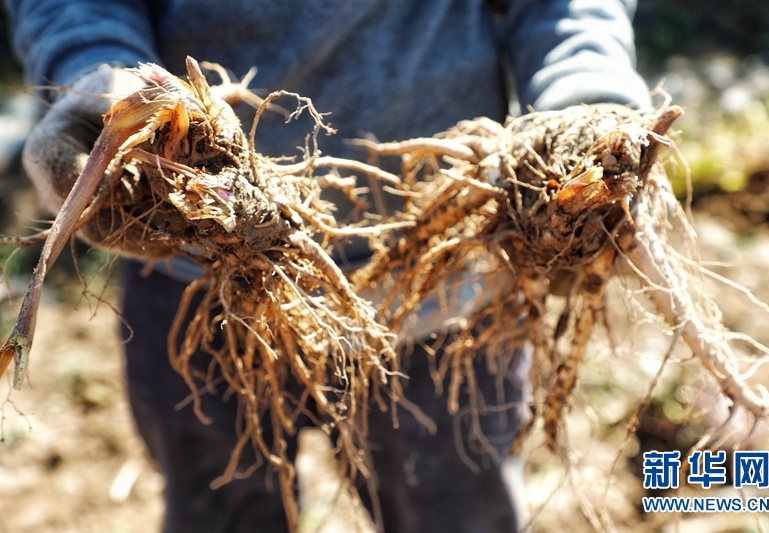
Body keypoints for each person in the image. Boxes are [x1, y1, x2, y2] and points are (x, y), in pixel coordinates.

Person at [5, 1, 651, 532]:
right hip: (191, 265)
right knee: (219, 510)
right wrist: (97, 80)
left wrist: (583, 91)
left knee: (458, 511)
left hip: (442, 275)